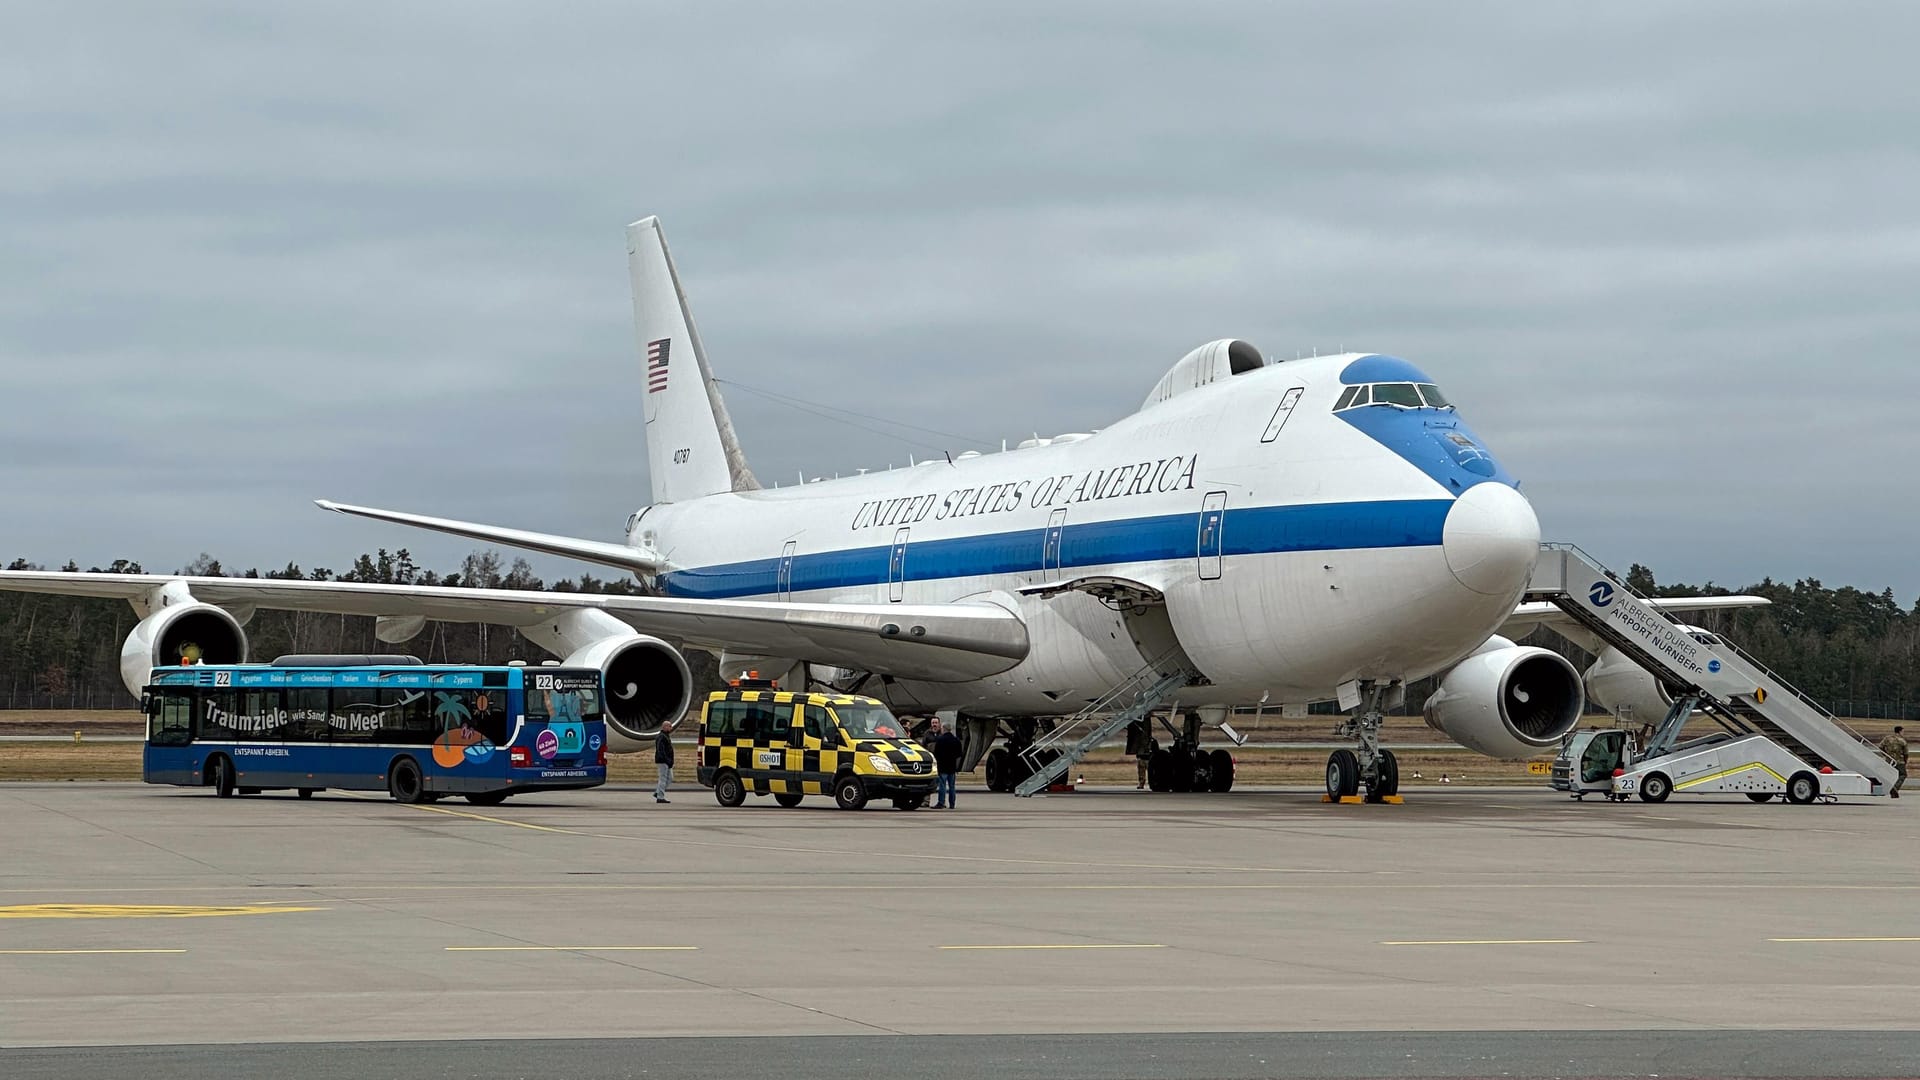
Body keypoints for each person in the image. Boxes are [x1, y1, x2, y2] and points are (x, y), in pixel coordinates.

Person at [930, 718, 963, 809]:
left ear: (943, 728)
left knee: (942, 785)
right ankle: (952, 804)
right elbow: (959, 753)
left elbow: (936, 753)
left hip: (942, 766)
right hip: (952, 766)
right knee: (952, 786)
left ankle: (941, 802)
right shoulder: (956, 740)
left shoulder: (940, 740)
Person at [1881, 725, 1908, 799]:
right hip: (1899, 761)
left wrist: (1885, 755)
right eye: (1903, 731)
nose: (1903, 733)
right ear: (1900, 731)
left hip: (1889, 760)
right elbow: (1906, 753)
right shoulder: (1902, 741)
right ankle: (1895, 788)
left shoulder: (1887, 738)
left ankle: (1891, 789)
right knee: (1903, 775)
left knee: (1890, 775)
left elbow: (1880, 747)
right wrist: (1905, 761)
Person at [1126, 718, 1153, 790]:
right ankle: (1142, 782)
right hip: (1141, 756)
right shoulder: (1140, 737)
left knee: (1148, 770)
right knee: (1141, 770)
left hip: (1146, 756)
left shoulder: (1146, 737)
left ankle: (1147, 783)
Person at [653, 720, 676, 804]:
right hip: (663, 761)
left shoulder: (665, 736)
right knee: (663, 779)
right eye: (670, 726)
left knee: (670, 778)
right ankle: (660, 797)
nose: (671, 728)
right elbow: (661, 750)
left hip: (667, 761)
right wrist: (667, 760)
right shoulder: (661, 737)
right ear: (665, 727)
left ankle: (658, 792)